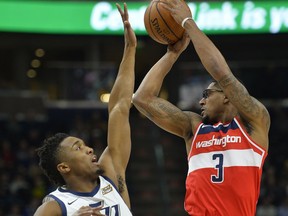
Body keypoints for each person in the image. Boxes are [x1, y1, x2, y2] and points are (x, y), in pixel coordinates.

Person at [132, 0, 270, 215]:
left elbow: (222, 74)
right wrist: (172, 54)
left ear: (227, 97)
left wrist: (188, 23)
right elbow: (141, 98)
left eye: (207, 94)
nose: (201, 101)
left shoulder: (254, 122)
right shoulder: (194, 128)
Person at [33, 3, 136, 216]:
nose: (90, 149)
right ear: (64, 167)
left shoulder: (111, 171)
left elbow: (120, 107)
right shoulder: (54, 206)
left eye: (84, 145)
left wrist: (130, 48)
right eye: (78, 148)